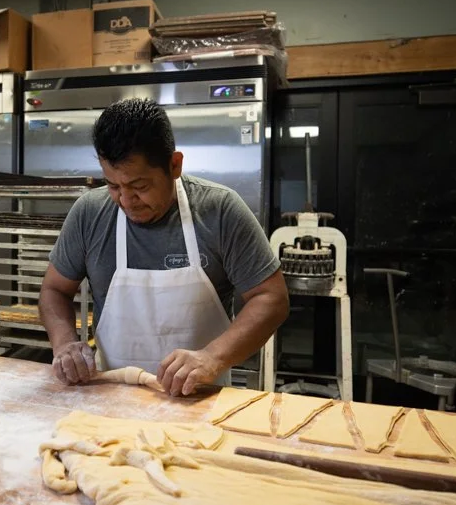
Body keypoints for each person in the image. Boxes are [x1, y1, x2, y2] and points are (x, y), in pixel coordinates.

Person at [38, 98, 289, 396]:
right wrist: (65, 342)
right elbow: (54, 290)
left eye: (140, 187)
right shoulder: (90, 213)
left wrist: (212, 357)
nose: (126, 201)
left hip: (200, 398)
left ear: (174, 165)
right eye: (114, 186)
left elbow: (271, 299)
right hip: (110, 396)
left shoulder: (220, 210)